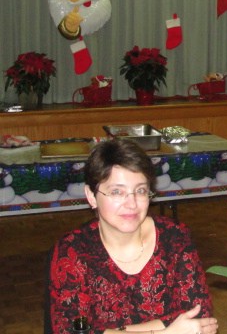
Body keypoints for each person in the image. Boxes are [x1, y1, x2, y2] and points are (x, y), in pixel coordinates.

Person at [47, 139, 218, 334]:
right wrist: (167, 332)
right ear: (91, 196)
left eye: (140, 190)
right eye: (117, 192)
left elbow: (199, 316)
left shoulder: (174, 237)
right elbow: (70, 330)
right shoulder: (73, 251)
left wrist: (109, 332)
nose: (132, 203)